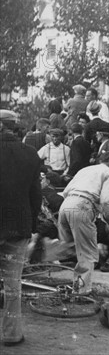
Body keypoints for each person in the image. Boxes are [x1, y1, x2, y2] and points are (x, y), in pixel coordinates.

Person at [0, 110, 43, 347]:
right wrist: (32, 224)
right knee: (12, 284)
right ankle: (11, 334)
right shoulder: (31, 155)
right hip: (17, 228)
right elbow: (35, 196)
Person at [58, 149, 109, 294]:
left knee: (66, 247)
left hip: (66, 205)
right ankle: (81, 291)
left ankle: (43, 249)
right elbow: (106, 200)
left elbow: (66, 191)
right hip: (83, 206)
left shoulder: (85, 170)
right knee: (86, 253)